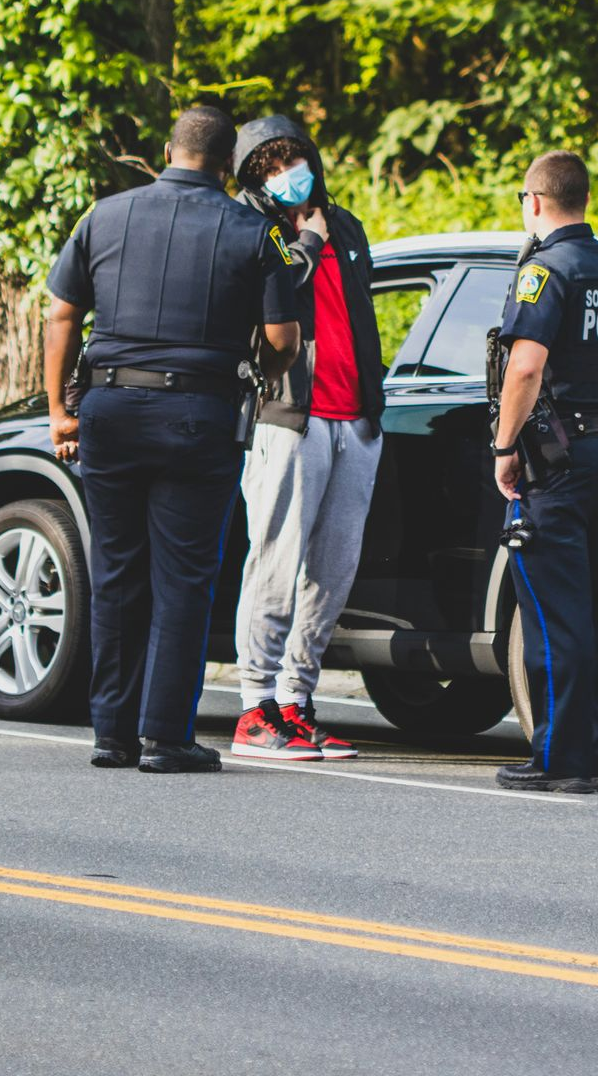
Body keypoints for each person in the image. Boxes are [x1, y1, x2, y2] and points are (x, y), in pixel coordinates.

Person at [42, 105, 299, 773]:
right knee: (184, 577)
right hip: (197, 417)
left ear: (166, 150)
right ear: (225, 166)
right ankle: (165, 737)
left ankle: (111, 733)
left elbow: (62, 314)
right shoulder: (256, 230)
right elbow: (282, 340)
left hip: (110, 410)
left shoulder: (103, 217)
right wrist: (259, 378)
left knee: (118, 571)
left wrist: (58, 411)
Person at [225, 114, 384, 762]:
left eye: (291, 162)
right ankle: (254, 706)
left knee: (332, 572)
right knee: (274, 558)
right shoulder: (251, 231)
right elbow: (266, 306)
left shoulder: (346, 227)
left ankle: (296, 700)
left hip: (355, 419)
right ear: (254, 180)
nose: (285, 176)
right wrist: (307, 246)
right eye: (268, 168)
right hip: (289, 415)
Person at [490, 151, 598, 794]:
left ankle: (558, 758)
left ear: (534, 201)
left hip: (554, 458)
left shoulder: (545, 272)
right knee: (593, 604)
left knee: (554, 611)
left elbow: (524, 368)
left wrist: (505, 447)